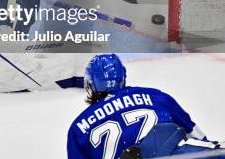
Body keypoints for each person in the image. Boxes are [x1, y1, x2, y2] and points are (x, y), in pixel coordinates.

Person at [67, 54, 224, 158]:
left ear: (91, 84)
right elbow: (198, 137)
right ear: (123, 77)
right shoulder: (155, 97)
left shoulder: (79, 128)